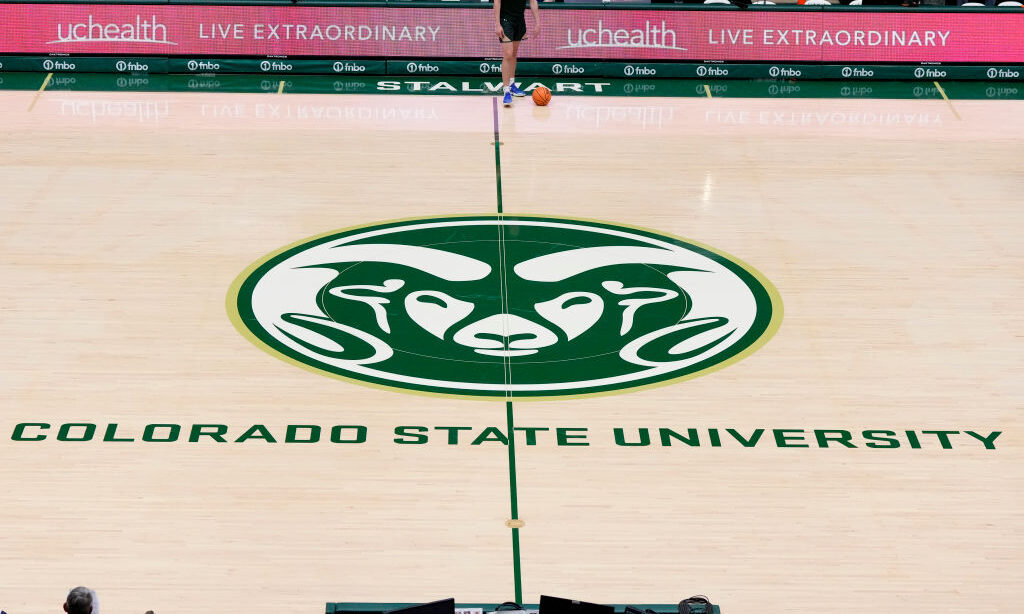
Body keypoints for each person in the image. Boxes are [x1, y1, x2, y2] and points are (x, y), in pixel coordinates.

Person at [493, 0, 541, 107]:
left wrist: (537, 23)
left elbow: (533, 1)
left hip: (519, 21)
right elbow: (497, 2)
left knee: (514, 54)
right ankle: (506, 91)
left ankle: (512, 85)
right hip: (505, 20)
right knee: (508, 54)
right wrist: (497, 24)